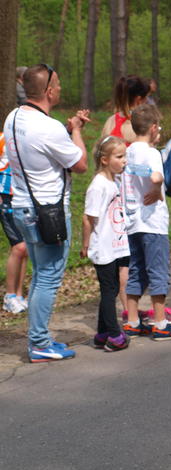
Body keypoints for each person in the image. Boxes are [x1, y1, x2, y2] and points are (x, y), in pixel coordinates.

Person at [3, 63, 90, 362]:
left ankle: (39, 338)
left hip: (22, 207)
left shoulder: (13, 117)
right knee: (49, 277)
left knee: (41, 274)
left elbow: (39, 146)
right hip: (48, 212)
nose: (61, 88)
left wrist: (66, 130)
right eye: (59, 84)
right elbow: (80, 164)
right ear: (49, 91)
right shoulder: (49, 128)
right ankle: (39, 342)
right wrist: (76, 132)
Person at [122, 104, 171, 341]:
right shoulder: (152, 153)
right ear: (153, 128)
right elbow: (156, 176)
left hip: (132, 221)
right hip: (152, 222)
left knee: (136, 270)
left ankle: (132, 321)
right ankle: (160, 323)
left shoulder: (128, 151)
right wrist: (157, 187)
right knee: (158, 270)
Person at [81, 136, 130, 352]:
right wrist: (85, 245)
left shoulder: (113, 181)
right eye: (119, 157)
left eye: (124, 156)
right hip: (102, 246)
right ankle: (114, 334)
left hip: (115, 244)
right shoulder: (98, 185)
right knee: (109, 290)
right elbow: (87, 218)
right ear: (104, 160)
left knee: (112, 288)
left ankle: (102, 333)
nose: (124, 160)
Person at [0, 133, 29, 313]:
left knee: (26, 248)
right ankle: (9, 296)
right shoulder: (2, 138)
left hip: (22, 197)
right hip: (5, 196)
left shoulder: (27, 137)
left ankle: (19, 295)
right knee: (19, 247)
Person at [101, 75, 150, 144]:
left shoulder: (110, 121)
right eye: (146, 97)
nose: (147, 101)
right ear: (138, 99)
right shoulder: (143, 124)